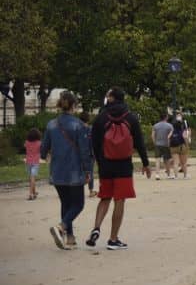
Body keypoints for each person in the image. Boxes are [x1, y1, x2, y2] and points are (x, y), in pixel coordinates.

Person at [86, 87, 151, 250]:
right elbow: (139, 142)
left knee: (105, 197)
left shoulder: (101, 117)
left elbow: (94, 143)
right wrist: (145, 163)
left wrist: (99, 161)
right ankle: (113, 239)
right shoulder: (131, 117)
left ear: (111, 98)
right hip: (123, 165)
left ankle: (96, 228)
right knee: (119, 200)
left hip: (105, 164)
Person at [41, 91, 93, 249]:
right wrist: (88, 170)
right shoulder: (79, 125)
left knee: (66, 203)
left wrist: (49, 155)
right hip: (74, 170)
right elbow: (84, 151)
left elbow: (43, 150)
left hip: (57, 170)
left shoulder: (51, 124)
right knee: (78, 204)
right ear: (74, 106)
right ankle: (61, 227)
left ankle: (70, 238)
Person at [151, 115, 174, 179]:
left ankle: (157, 175)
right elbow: (170, 135)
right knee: (167, 160)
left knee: (157, 160)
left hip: (157, 145)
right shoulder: (170, 126)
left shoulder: (155, 126)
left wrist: (155, 143)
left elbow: (152, 135)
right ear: (166, 118)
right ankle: (168, 175)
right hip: (166, 145)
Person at [169, 112, 191, 179]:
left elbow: (168, 138)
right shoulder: (182, 131)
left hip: (173, 147)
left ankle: (176, 176)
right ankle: (185, 175)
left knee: (175, 163)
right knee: (183, 163)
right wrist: (187, 145)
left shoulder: (172, 131)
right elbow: (185, 138)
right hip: (182, 146)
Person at [24, 127, 42, 200]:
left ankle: (34, 193)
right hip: (35, 162)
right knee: (33, 178)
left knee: (31, 178)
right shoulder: (39, 143)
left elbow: (25, 146)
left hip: (28, 162)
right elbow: (41, 150)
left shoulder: (26, 142)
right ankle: (31, 194)